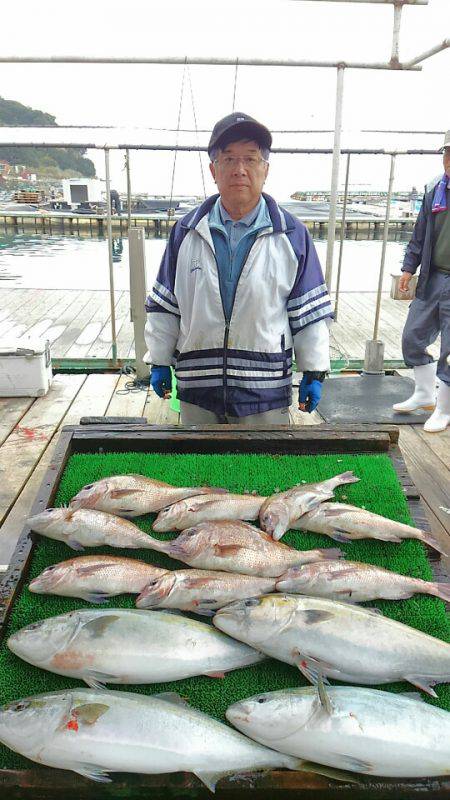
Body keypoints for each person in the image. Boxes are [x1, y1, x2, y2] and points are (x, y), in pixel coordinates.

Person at [144, 112, 332, 425]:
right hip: (196, 390)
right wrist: (159, 361)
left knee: (264, 471)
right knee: (197, 472)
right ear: (213, 169)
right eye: (228, 159)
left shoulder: (292, 234)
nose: (239, 170)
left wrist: (314, 370)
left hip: (266, 394)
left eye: (250, 159)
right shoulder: (185, 231)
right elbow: (165, 306)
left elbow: (308, 312)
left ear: (265, 169)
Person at [393, 130, 450, 433]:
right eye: (447, 152)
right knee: (412, 337)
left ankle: (444, 408)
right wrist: (407, 268)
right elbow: (418, 236)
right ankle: (425, 395)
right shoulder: (433, 190)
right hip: (434, 276)